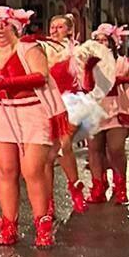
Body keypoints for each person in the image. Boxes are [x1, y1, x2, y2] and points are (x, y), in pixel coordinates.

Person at [0, 7, 69, 247]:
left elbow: (41, 76)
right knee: (6, 171)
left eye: (4, 24)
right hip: (3, 115)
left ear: (15, 27)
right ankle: (9, 226)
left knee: (32, 171)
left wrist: (7, 82)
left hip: (33, 113)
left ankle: (43, 225)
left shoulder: (29, 48)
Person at [45, 12, 110, 215]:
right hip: (48, 103)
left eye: (60, 27)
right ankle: (48, 202)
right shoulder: (42, 49)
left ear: (70, 30)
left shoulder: (77, 51)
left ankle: (75, 189)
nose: (55, 30)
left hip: (71, 103)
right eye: (52, 26)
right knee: (47, 156)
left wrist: (90, 70)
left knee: (63, 146)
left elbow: (87, 84)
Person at [86, 24, 129, 205]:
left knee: (115, 148)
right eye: (98, 40)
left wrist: (122, 79)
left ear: (113, 43)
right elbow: (85, 87)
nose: (101, 43)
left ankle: (120, 186)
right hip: (94, 110)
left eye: (105, 40)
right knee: (95, 150)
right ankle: (98, 187)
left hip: (117, 109)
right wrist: (88, 69)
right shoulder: (87, 62)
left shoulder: (123, 62)